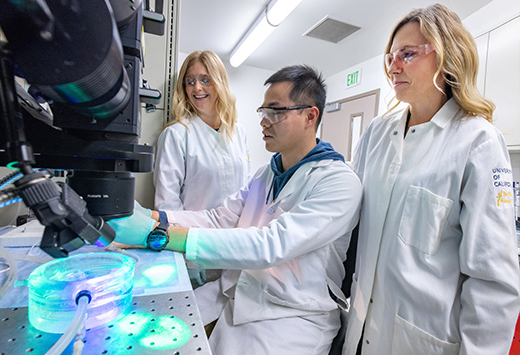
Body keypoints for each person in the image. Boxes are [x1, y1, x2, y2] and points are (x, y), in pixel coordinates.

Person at [109, 65, 362, 354]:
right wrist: (154, 216)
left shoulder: (339, 182)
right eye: (263, 111)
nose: (264, 122)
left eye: (276, 112)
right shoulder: (267, 174)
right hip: (239, 292)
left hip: (292, 316)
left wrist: (162, 235)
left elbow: (271, 244)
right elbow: (220, 218)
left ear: (310, 115)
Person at [342, 4, 520, 355]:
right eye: (391, 56)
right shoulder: (377, 134)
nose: (393, 65)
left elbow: (492, 282)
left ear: (447, 56)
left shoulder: (477, 142)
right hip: (359, 333)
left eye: (407, 54)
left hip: (421, 342)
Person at [153, 50, 250, 286]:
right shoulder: (177, 134)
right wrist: (183, 256)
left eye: (205, 79)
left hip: (235, 248)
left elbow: (246, 193)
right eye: (190, 81)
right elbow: (167, 204)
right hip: (196, 250)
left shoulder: (238, 133)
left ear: (219, 83)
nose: (197, 88)